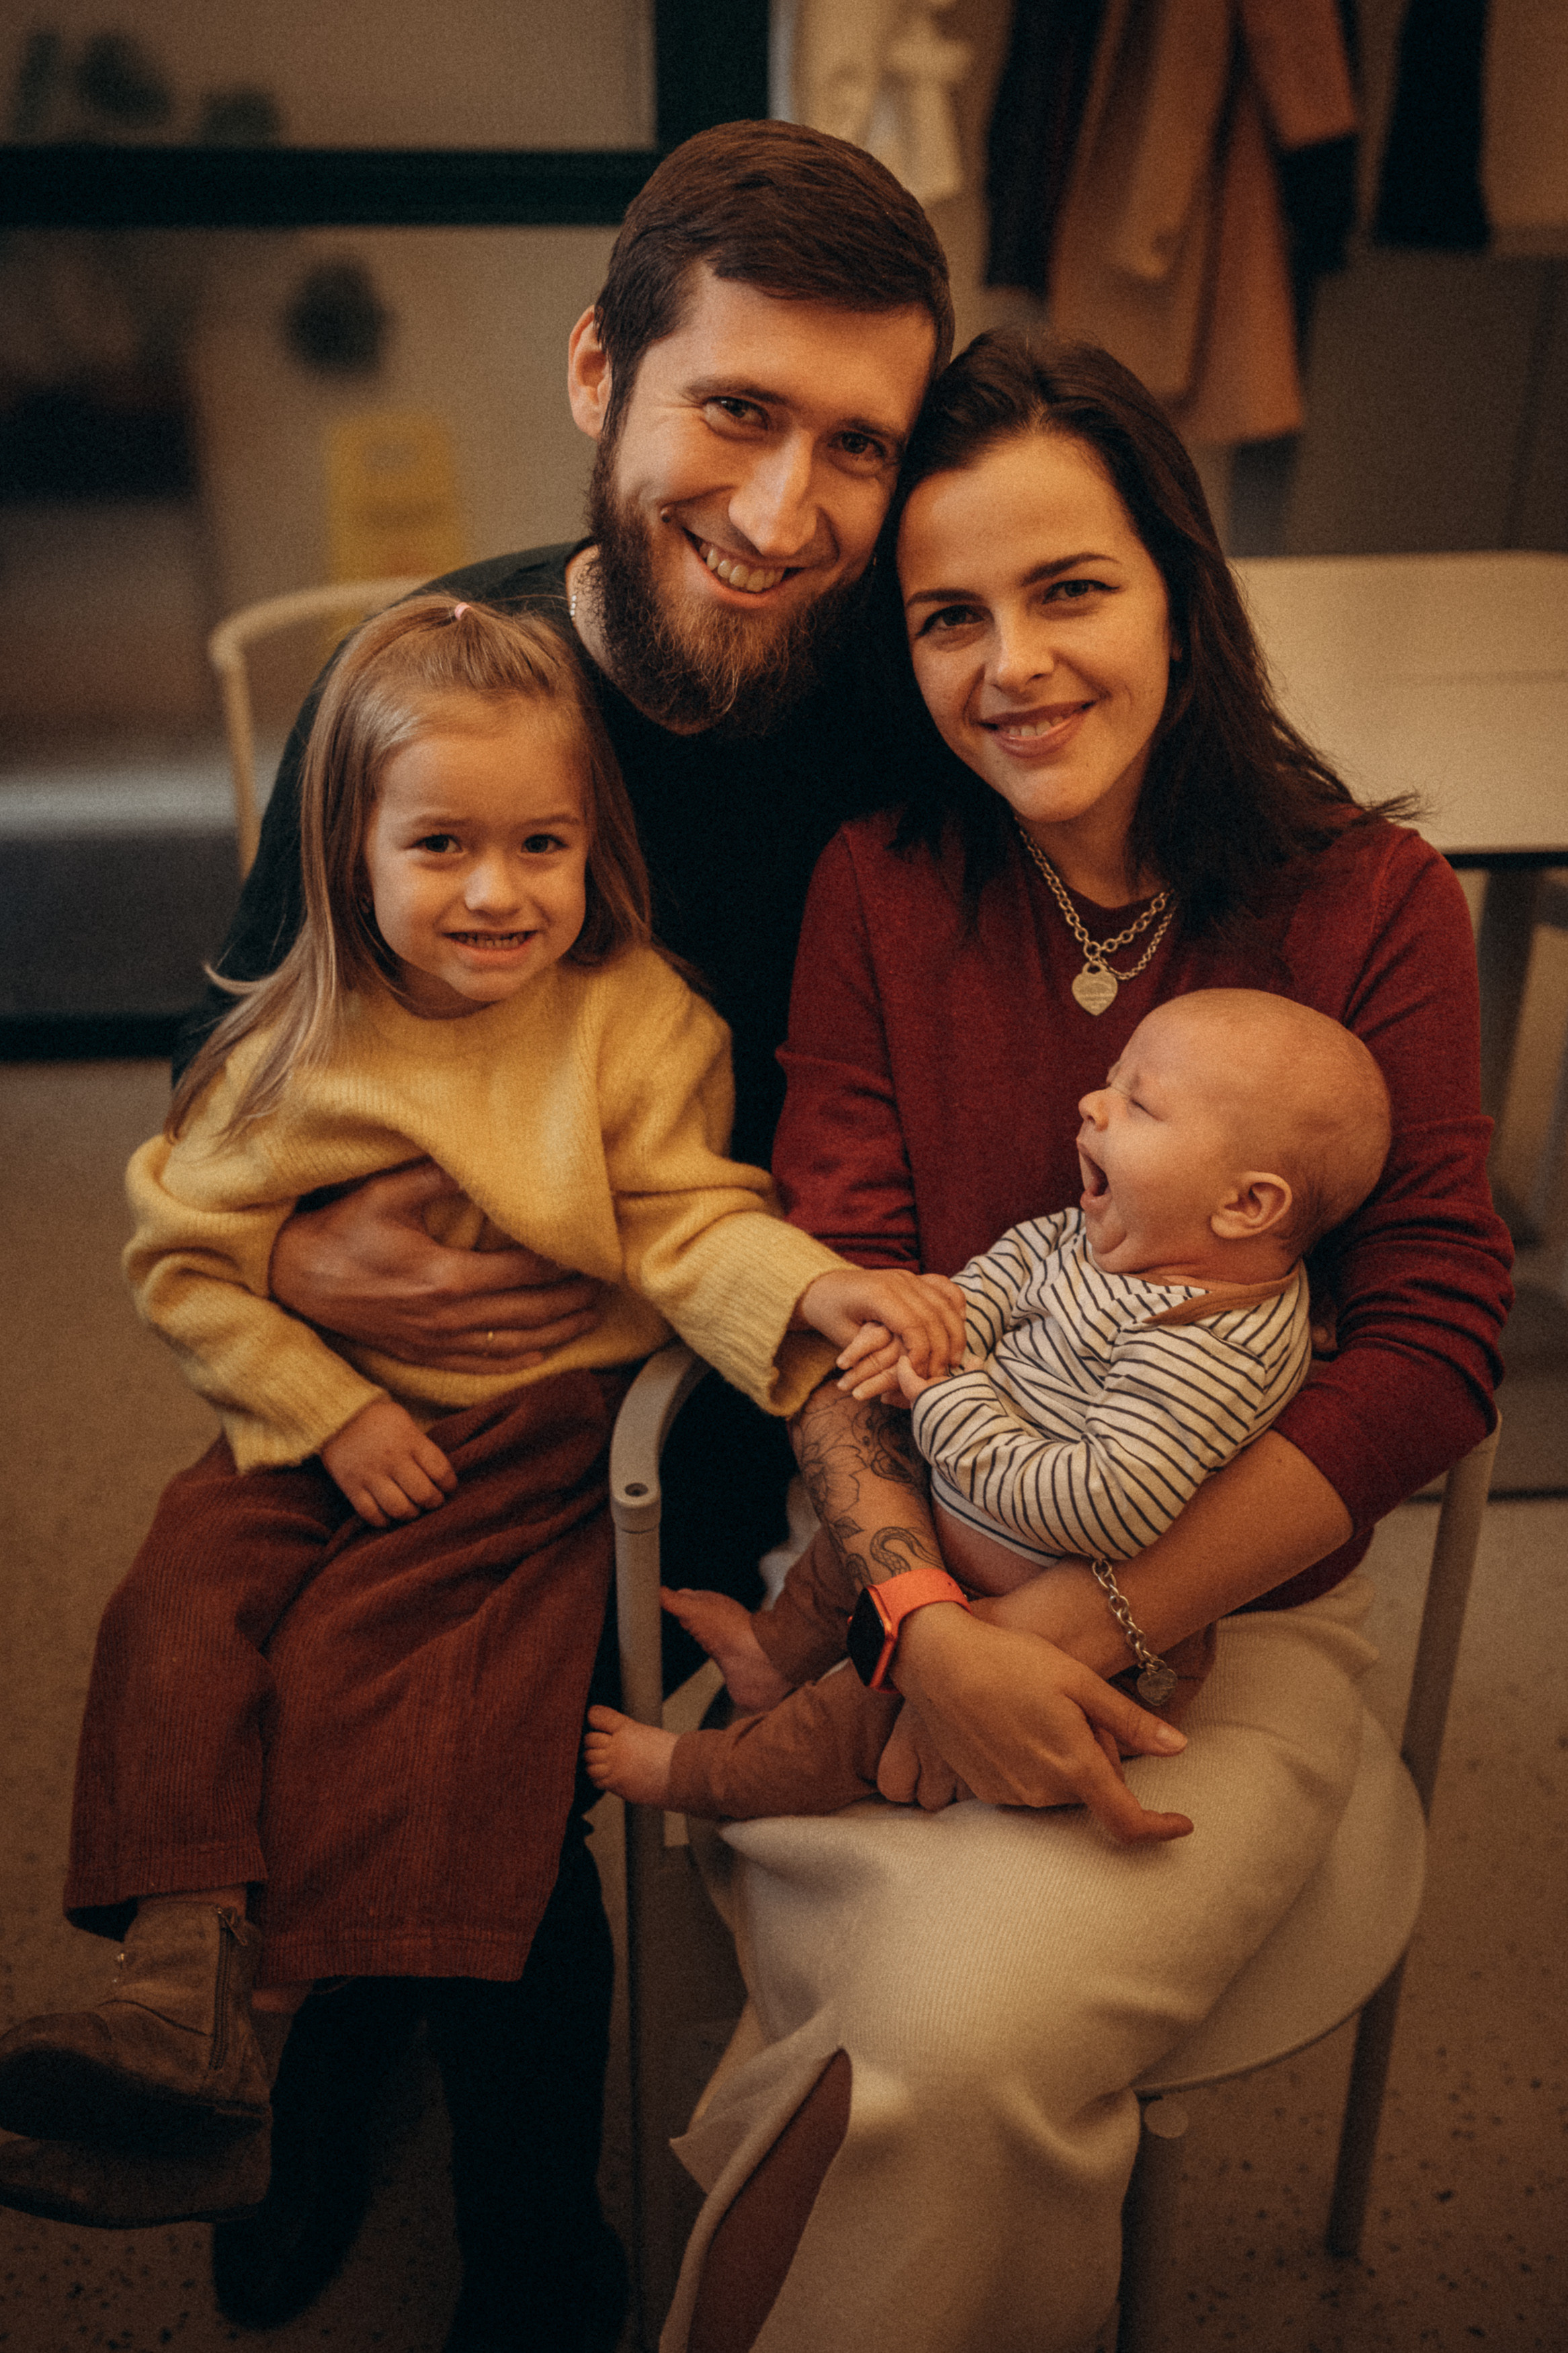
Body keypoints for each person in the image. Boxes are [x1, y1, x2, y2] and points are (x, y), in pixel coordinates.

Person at [111, 119, 956, 2344]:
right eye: (733, 410)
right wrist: (297, 1268)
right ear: (600, 373)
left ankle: (517, 2209)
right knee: (254, 1621)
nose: (784, 516)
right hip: (425, 1379)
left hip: (765, 1377)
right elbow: (230, 1074)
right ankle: (331, 2035)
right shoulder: (433, 687)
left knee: (467, 1721)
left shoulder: (917, 732)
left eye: (854, 447)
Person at [646, 333, 1512, 2353]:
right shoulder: (878, 882)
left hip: (1236, 1625)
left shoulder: (1369, 897)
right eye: (949, 615)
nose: (1010, 661)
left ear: (1177, 591)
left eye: (1069, 588)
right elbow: (834, 1279)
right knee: (931, 2054)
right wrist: (930, 1615)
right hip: (906, 1589)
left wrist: (1088, 1621)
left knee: (930, 2044)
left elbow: (1437, 1338)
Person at [0, 600, 972, 2331]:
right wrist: (324, 1406)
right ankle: (183, 1979)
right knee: (175, 1599)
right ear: (347, 849)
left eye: (542, 844)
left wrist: (812, 1282)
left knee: (418, 1714)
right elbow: (183, 1263)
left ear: (594, 847)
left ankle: (452, 2167)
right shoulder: (286, 1040)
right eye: (439, 844)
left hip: (533, 1445)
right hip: (317, 1421)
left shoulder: (632, 1024)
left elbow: (688, 1222)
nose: (497, 891)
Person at [582, 988, 1394, 1825]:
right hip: (956, 1527)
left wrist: (941, 1388)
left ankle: (700, 1772)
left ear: (1245, 1204)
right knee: (839, 1562)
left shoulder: (1207, 1346)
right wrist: (934, 1319)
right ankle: (767, 1652)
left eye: (1138, 1102)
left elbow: (1100, 1505)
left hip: (1065, 1616)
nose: (1093, 1101)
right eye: (1112, 1079)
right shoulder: (1113, 1235)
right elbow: (1010, 1267)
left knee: (843, 1729)